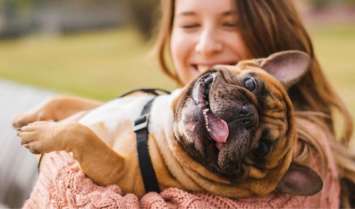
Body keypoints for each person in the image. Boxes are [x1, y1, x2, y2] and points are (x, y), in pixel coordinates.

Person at [14, 0, 354, 208]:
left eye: (230, 23)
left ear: (271, 32)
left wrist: (59, 153)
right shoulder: (170, 110)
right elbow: (111, 115)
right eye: (190, 24)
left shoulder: (304, 153)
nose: (206, 46)